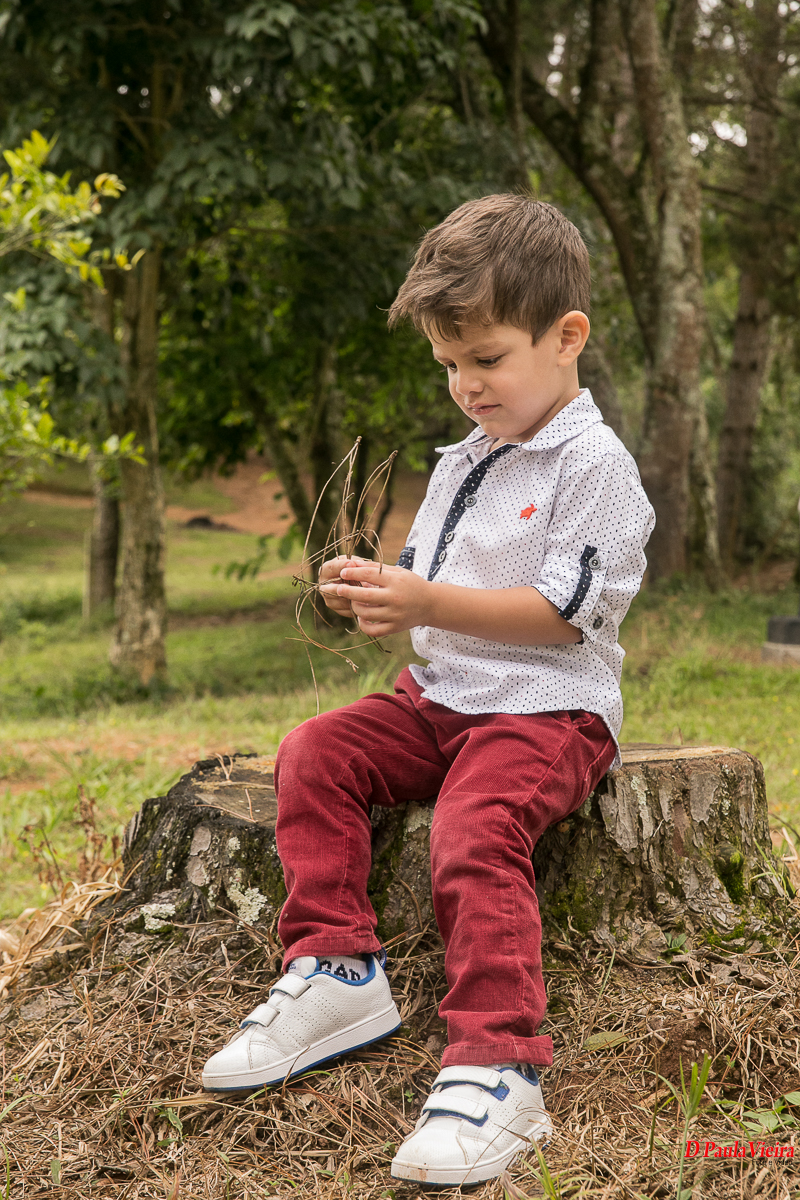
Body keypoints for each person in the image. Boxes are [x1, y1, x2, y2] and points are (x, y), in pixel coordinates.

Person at [200, 194, 655, 1187]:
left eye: (485, 358)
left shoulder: (594, 466)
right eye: (448, 365)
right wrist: (377, 592)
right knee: (315, 752)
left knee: (473, 827)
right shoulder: (465, 458)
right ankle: (337, 968)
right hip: (441, 699)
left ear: (566, 337)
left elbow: (565, 614)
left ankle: (500, 1065)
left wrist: (428, 599)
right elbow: (429, 586)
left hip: (546, 709)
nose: (464, 385)